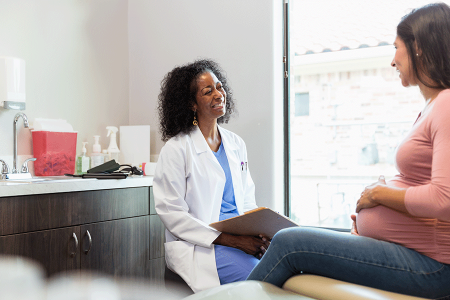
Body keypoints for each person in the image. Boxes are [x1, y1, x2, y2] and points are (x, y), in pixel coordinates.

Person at [247, 3, 450, 299]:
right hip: (415, 254)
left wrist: (378, 196)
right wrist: (377, 217)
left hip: (431, 268)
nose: (393, 61)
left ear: (418, 47)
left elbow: (443, 199)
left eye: (397, 48)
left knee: (289, 243)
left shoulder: (445, 104)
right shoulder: (432, 106)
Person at [153, 59, 270, 293]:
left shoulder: (236, 144)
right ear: (192, 103)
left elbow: (246, 200)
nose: (219, 94)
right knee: (262, 283)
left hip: (240, 238)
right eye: (208, 91)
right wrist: (234, 241)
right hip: (203, 246)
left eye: (219, 86)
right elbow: (173, 215)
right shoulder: (177, 149)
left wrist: (259, 232)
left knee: (288, 267)